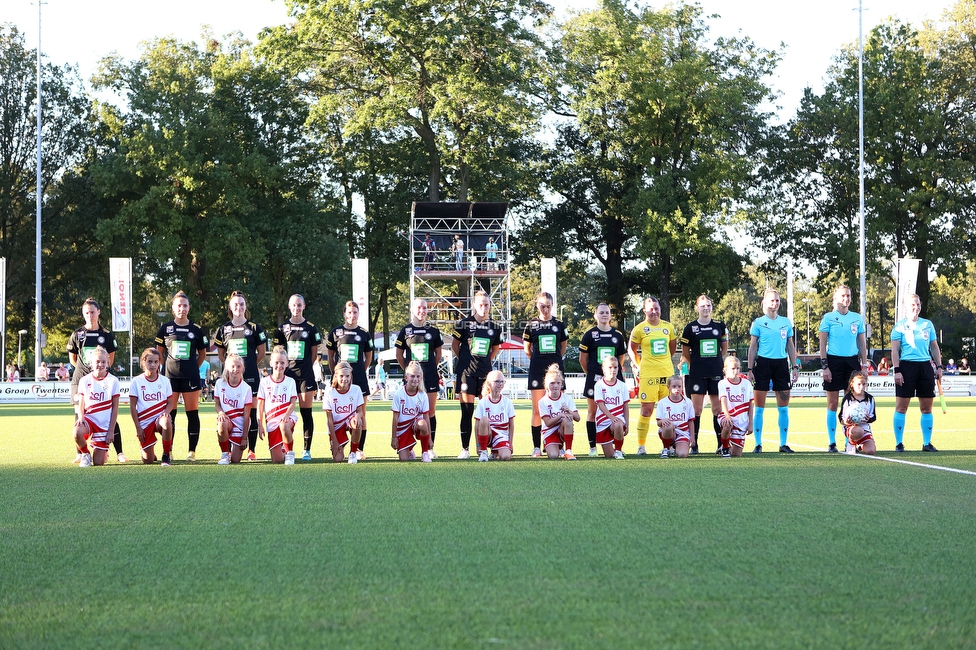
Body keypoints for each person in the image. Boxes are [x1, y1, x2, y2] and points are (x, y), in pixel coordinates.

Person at [69, 297, 127, 464]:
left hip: (102, 380)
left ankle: (119, 452)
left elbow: (111, 358)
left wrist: (100, 373)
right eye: (86, 312)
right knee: (79, 416)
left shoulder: (106, 334)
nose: (90, 315)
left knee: (108, 414)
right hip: (81, 379)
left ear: (98, 312)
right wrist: (88, 373)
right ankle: (81, 453)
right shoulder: (77, 334)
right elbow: (74, 359)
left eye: (92, 312)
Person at [213, 290, 267, 462]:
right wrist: (231, 368)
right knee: (228, 411)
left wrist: (247, 366)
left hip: (250, 375)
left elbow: (261, 353)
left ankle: (251, 450)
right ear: (230, 307)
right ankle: (227, 450)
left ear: (246, 306)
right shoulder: (223, 329)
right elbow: (221, 355)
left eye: (242, 304)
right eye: (235, 304)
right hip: (230, 378)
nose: (239, 307)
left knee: (250, 414)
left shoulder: (254, 327)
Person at [155, 291, 209, 461]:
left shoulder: (196, 329)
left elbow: (202, 354)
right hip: (170, 378)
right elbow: (159, 354)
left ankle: (191, 451)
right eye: (179, 305)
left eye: (185, 305)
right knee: (170, 415)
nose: (182, 308)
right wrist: (168, 370)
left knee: (192, 413)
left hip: (191, 377)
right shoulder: (165, 328)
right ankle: (168, 450)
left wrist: (192, 368)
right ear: (173, 308)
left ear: (189, 308)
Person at [746, 289, 800, 453]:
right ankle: (758, 444)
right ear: (764, 302)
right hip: (762, 365)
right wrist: (749, 369)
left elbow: (790, 345)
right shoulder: (758, 323)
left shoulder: (786, 322)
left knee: (783, 407)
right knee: (759, 407)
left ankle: (783, 444)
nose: (775, 303)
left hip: (781, 365)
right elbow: (753, 346)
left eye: (777, 301)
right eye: (771, 300)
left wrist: (795, 366)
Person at [818, 284, 869, 452]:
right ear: (836, 298)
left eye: (848, 296)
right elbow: (822, 343)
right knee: (832, 404)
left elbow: (861, 343)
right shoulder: (828, 318)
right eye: (843, 296)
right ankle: (832, 442)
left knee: (852, 403)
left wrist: (864, 364)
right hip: (833, 362)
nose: (846, 299)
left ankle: (851, 440)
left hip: (852, 362)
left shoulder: (856, 318)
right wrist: (825, 366)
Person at [272, 294, 322, 460]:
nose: (297, 308)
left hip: (305, 376)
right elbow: (278, 353)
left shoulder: (311, 328)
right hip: (288, 377)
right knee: (286, 413)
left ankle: (306, 450)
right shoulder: (282, 328)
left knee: (306, 413)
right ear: (289, 306)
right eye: (294, 305)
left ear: (304, 306)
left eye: (299, 305)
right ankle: (287, 447)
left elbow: (314, 354)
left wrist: (305, 367)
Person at [452, 290, 502, 458]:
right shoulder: (464, 324)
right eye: (480, 304)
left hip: (485, 376)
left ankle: (485, 448)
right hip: (466, 374)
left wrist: (487, 361)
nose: (484, 308)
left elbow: (495, 347)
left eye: (486, 304)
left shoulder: (494, 327)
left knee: (486, 413)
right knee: (467, 411)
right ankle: (465, 449)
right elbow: (454, 345)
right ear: (474, 305)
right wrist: (465, 361)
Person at [891, 293, 943, 452]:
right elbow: (894, 350)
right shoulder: (899, 326)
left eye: (918, 304)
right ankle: (899, 443)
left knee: (927, 408)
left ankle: (927, 443)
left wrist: (939, 367)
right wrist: (897, 370)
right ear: (906, 307)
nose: (916, 307)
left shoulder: (928, 324)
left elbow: (934, 347)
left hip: (925, 367)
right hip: (906, 367)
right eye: (913, 305)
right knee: (901, 407)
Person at [679, 294, 729, 454]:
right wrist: (697, 363)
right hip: (697, 372)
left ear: (711, 307)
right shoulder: (690, 328)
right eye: (702, 306)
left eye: (708, 305)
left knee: (717, 409)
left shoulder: (720, 326)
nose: (706, 308)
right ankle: (694, 445)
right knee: (696, 409)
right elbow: (686, 353)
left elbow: (724, 349)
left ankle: (721, 445)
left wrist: (713, 362)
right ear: (697, 308)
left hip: (715, 371)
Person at [628, 296, 678, 456]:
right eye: (650, 309)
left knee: (668, 410)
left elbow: (672, 348)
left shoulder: (668, 327)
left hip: (666, 374)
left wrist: (663, 363)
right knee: (646, 410)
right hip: (648, 374)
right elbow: (632, 349)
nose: (654, 312)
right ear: (644, 311)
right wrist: (637, 365)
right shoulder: (639, 329)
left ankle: (668, 445)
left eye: (656, 308)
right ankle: (641, 446)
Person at [326, 300, 375, 461]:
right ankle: (337, 442)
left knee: (361, 415)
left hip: (359, 378)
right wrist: (336, 372)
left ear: (358, 314)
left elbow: (369, 356)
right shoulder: (335, 332)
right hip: (340, 379)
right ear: (344, 314)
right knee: (338, 411)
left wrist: (360, 370)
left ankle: (359, 448)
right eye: (349, 312)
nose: (352, 315)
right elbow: (331, 355)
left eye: (355, 312)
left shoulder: (364, 333)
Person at [523, 291, 569, 457]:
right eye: (542, 306)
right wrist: (538, 360)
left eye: (548, 306)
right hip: (537, 369)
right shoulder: (531, 325)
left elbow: (562, 347)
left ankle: (560, 444)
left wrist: (554, 364)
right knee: (536, 409)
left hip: (556, 371)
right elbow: (527, 349)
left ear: (552, 305)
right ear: (537, 306)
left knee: (559, 408)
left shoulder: (559, 324)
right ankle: (536, 447)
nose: (545, 309)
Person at [579, 303, 628, 456]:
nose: (604, 315)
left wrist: (612, 373)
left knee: (617, 408)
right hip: (594, 377)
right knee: (592, 412)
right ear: (596, 315)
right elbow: (583, 359)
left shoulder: (617, 335)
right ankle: (593, 447)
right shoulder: (589, 334)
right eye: (601, 312)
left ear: (610, 315)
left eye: (607, 312)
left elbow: (620, 358)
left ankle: (617, 445)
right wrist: (593, 373)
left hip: (613, 378)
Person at [395, 298, 443, 456]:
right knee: (408, 412)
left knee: (430, 413)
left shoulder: (434, 331)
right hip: (411, 378)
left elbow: (438, 354)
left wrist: (428, 370)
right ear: (412, 310)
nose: (422, 311)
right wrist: (408, 371)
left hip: (429, 376)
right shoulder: (405, 331)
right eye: (418, 308)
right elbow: (399, 355)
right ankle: (409, 447)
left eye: (424, 308)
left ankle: (429, 448)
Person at [72, 346, 120, 467]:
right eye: (97, 362)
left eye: (103, 362)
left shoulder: (113, 381)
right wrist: (81, 418)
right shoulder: (84, 380)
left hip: (104, 424)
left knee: (99, 463)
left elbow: (115, 408)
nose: (100, 364)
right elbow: (81, 403)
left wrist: (111, 431)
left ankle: (104, 453)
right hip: (90, 420)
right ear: (91, 363)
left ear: (108, 363)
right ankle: (85, 454)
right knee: (77, 432)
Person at [129, 347, 176, 465]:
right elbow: (133, 407)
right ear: (143, 362)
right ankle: (149, 451)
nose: (153, 365)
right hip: (144, 421)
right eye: (150, 361)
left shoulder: (165, 381)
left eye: (156, 362)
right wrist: (138, 427)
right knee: (148, 461)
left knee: (166, 421)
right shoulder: (136, 381)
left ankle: (166, 455)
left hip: (159, 418)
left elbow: (171, 402)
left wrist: (166, 412)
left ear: (159, 362)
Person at [257, 346, 299, 465]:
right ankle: (283, 448)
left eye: (282, 363)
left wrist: (286, 415)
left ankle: (290, 452)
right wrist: (260, 424)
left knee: (284, 425)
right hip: (271, 421)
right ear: (271, 363)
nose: (279, 366)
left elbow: (292, 402)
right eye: (276, 362)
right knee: (277, 460)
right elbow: (260, 404)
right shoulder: (264, 382)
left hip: (286, 417)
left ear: (286, 364)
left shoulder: (290, 381)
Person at [213, 353, 253, 465]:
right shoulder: (220, 384)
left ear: (243, 368)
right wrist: (221, 412)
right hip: (227, 421)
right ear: (227, 368)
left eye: (239, 366)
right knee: (222, 423)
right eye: (232, 366)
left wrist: (245, 437)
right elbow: (217, 404)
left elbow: (246, 416)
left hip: (240, 425)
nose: (235, 369)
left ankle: (234, 450)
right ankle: (225, 454)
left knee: (236, 461)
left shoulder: (246, 388)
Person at [323, 361, 366, 464]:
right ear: (336, 376)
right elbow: (329, 419)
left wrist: (357, 417)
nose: (344, 379)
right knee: (338, 459)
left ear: (350, 376)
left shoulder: (356, 389)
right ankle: (337, 445)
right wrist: (334, 441)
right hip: (336, 425)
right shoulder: (329, 392)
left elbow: (360, 412)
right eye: (341, 376)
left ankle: (353, 452)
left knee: (358, 423)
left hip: (350, 421)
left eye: (347, 376)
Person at [390, 361, 432, 462]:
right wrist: (393, 437)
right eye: (412, 376)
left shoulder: (423, 395)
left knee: (422, 423)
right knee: (404, 459)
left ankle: (425, 453)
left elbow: (426, 417)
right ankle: (410, 450)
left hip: (415, 425)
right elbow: (395, 417)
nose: (415, 379)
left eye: (418, 376)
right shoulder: (398, 394)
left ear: (421, 378)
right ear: (406, 377)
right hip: (403, 428)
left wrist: (429, 438)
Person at [537, 364, 580, 460]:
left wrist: (569, 411)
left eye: (558, 383)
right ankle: (558, 447)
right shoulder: (542, 401)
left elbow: (578, 418)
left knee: (568, 419)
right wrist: (561, 415)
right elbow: (548, 423)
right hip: (549, 432)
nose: (555, 386)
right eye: (552, 383)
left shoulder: (567, 398)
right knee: (553, 456)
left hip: (562, 429)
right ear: (546, 384)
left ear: (561, 384)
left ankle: (568, 451)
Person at [474, 370, 515, 462]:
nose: (500, 384)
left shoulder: (507, 402)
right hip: (487, 433)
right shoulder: (482, 402)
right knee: (484, 419)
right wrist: (478, 445)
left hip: (501, 435)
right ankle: (484, 451)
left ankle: (495, 452)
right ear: (489, 384)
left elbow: (511, 425)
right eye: (497, 381)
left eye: (502, 381)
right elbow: (476, 425)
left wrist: (510, 443)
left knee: (506, 457)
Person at [718, 355, 754, 458]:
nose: (736, 371)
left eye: (738, 368)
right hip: (727, 415)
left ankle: (727, 446)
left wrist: (750, 423)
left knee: (736, 454)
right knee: (727, 423)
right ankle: (725, 447)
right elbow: (723, 400)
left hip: (741, 420)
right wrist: (727, 416)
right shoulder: (722, 383)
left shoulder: (747, 384)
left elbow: (751, 404)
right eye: (733, 368)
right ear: (725, 370)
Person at [594, 356, 629, 459]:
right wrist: (611, 417)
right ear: (603, 369)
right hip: (603, 420)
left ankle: (618, 450)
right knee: (609, 456)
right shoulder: (599, 385)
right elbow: (601, 405)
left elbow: (625, 406)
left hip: (618, 419)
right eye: (610, 367)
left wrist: (627, 424)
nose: (613, 370)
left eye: (615, 367)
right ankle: (615, 446)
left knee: (618, 424)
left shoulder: (622, 385)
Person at [655, 375, 696, 458]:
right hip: (668, 431)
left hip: (683, 433)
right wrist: (662, 421)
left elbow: (690, 421)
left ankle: (676, 447)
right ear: (668, 387)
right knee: (669, 424)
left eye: (679, 386)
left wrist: (693, 437)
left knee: (682, 455)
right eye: (674, 386)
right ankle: (666, 448)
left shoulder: (688, 402)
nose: (677, 389)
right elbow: (658, 423)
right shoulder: (662, 403)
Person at [838, 371, 877, 455]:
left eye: (864, 384)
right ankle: (851, 444)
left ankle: (860, 446)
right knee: (858, 431)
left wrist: (868, 419)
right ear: (852, 384)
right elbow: (840, 417)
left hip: (865, 428)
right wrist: (846, 422)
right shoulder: (847, 399)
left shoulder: (870, 399)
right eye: (858, 384)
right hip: (851, 429)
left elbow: (873, 416)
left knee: (871, 451)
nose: (861, 387)